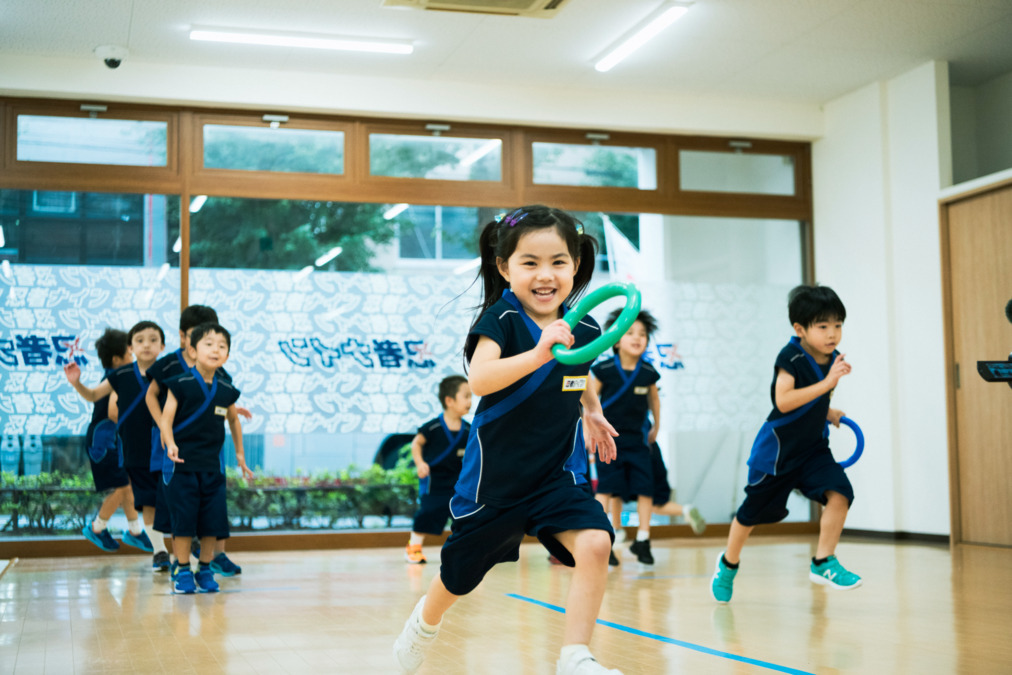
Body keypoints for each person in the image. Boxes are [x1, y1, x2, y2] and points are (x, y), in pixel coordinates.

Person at [394, 205, 623, 675]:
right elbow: (480, 378)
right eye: (530, 263)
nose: (546, 275)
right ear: (504, 268)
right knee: (458, 577)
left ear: (575, 265)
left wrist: (593, 412)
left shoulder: (584, 328)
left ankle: (575, 656)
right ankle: (423, 624)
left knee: (597, 543)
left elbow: (581, 373)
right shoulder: (501, 319)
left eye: (558, 262)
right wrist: (540, 353)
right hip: (494, 485)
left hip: (557, 478)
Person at [711, 284, 861, 604]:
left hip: (813, 450)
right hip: (777, 453)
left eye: (838, 325)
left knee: (840, 494)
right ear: (800, 329)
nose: (833, 333)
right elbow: (784, 401)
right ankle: (728, 564)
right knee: (749, 515)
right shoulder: (790, 356)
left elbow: (815, 398)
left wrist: (828, 411)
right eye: (823, 326)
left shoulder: (831, 357)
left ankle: (824, 562)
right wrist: (827, 385)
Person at [590, 309, 706, 566]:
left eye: (642, 334)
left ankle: (643, 539)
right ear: (616, 339)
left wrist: (657, 426)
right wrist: (590, 431)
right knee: (607, 489)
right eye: (630, 332)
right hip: (609, 441)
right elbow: (589, 402)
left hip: (639, 441)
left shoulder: (648, 371)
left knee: (646, 489)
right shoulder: (604, 369)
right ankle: (601, 538)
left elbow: (654, 399)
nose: (637, 337)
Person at [146, 304, 248, 576]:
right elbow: (152, 397)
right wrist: (166, 432)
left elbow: (228, 411)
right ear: (187, 341)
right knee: (179, 510)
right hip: (176, 450)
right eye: (204, 339)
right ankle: (177, 564)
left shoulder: (223, 379)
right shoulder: (171, 368)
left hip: (210, 455)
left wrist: (239, 452)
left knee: (212, 511)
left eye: (220, 343)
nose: (214, 347)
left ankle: (211, 561)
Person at [65, 321, 166, 564]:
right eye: (136, 343)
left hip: (112, 442)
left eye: (152, 341)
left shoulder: (141, 375)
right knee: (124, 486)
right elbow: (112, 411)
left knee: (128, 486)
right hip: (105, 443)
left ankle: (134, 531)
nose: (143, 347)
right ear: (123, 354)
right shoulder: (120, 378)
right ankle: (98, 527)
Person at [404, 375, 472, 564]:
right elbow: (416, 444)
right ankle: (414, 548)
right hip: (434, 481)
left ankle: (464, 552)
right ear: (449, 401)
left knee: (463, 516)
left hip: (458, 482)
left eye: (471, 396)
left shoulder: (469, 429)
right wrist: (420, 463)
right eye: (466, 396)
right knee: (427, 513)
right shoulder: (432, 427)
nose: (470, 401)